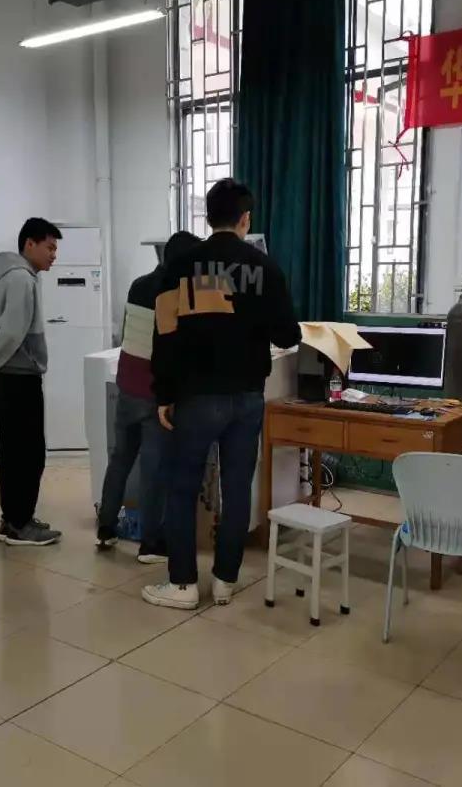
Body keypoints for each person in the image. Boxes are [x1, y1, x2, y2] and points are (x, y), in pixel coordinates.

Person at [143, 179, 301, 610]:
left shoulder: (179, 266)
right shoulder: (265, 268)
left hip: (195, 396)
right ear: (245, 219)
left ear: (208, 217)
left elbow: (164, 335)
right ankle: (225, 581)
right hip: (247, 397)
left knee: (182, 488)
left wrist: (163, 394)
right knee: (237, 490)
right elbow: (288, 334)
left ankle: (182, 585)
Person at [96, 231, 202, 564]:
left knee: (121, 459)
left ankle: (106, 527)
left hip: (126, 385)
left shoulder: (138, 285)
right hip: (155, 393)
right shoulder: (178, 295)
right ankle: (151, 543)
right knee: (153, 470)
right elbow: (176, 350)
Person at [0, 218, 63, 547]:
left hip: (11, 376)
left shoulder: (16, 277)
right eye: (49, 247)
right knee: (28, 453)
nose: (54, 255)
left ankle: (13, 518)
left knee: (16, 451)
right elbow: (12, 332)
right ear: (30, 244)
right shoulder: (20, 279)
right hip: (16, 378)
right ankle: (19, 523)